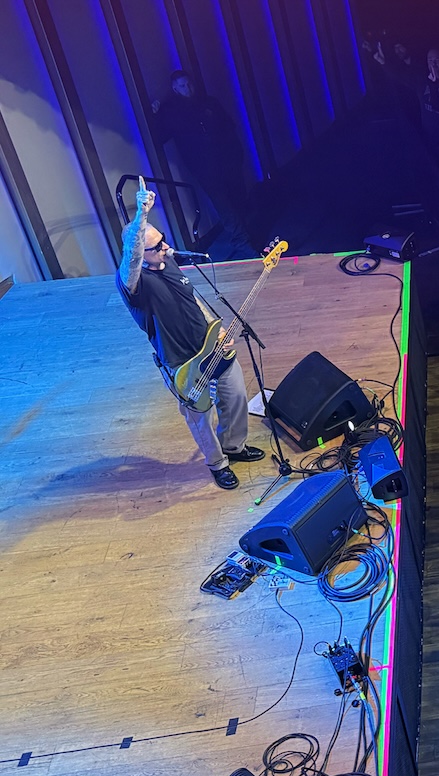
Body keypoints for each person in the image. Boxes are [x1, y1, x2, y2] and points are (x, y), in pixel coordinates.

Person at [117, 181, 262, 490]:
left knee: (235, 397)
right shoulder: (133, 285)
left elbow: (192, 298)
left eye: (164, 241)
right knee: (201, 417)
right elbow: (130, 257)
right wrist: (142, 215)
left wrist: (217, 326)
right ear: (142, 252)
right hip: (183, 362)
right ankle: (217, 463)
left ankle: (234, 447)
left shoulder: (168, 264)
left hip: (212, 346)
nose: (167, 248)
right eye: (157, 246)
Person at [150, 71, 252, 256]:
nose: (188, 89)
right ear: (175, 88)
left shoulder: (208, 102)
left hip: (226, 161)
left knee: (237, 199)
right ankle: (243, 242)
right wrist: (156, 115)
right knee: (224, 205)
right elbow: (160, 137)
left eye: (189, 84)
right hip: (203, 167)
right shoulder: (171, 112)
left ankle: (245, 236)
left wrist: (237, 154)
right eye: (182, 86)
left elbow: (229, 127)